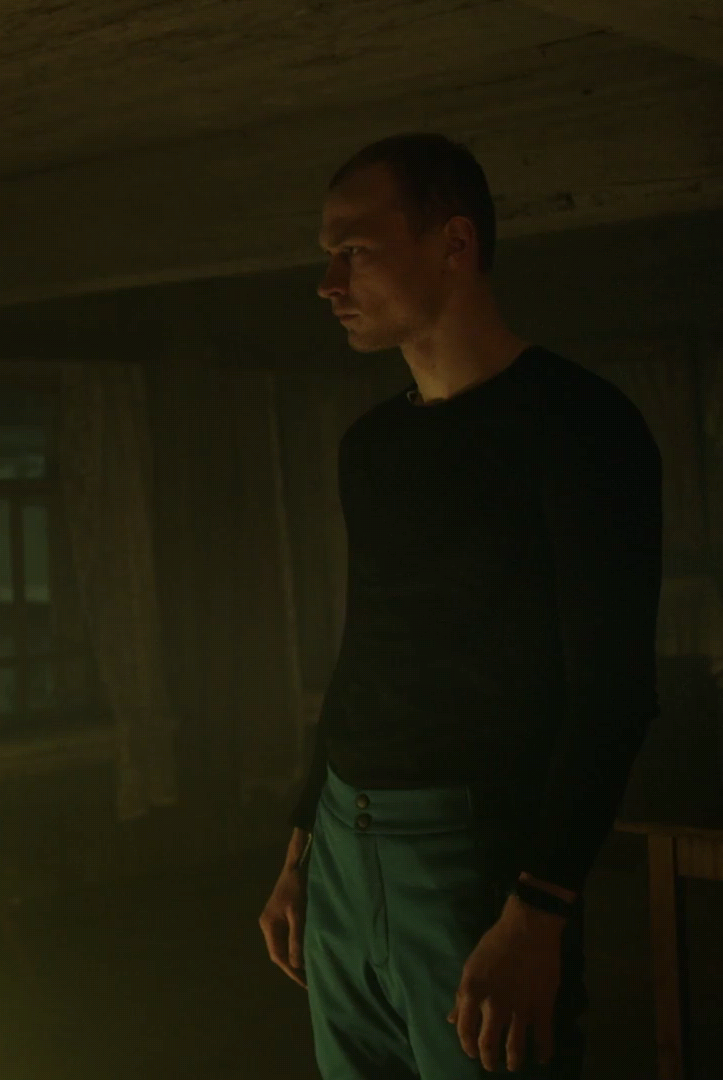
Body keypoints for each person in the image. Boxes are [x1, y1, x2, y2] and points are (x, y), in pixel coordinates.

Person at [256, 134, 663, 1079]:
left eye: (355, 250)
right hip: (345, 840)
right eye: (329, 254)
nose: (328, 281)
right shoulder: (372, 447)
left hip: (471, 849)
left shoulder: (580, 427)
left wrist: (540, 909)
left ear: (454, 243)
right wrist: (301, 848)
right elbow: (366, 647)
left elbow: (611, 691)